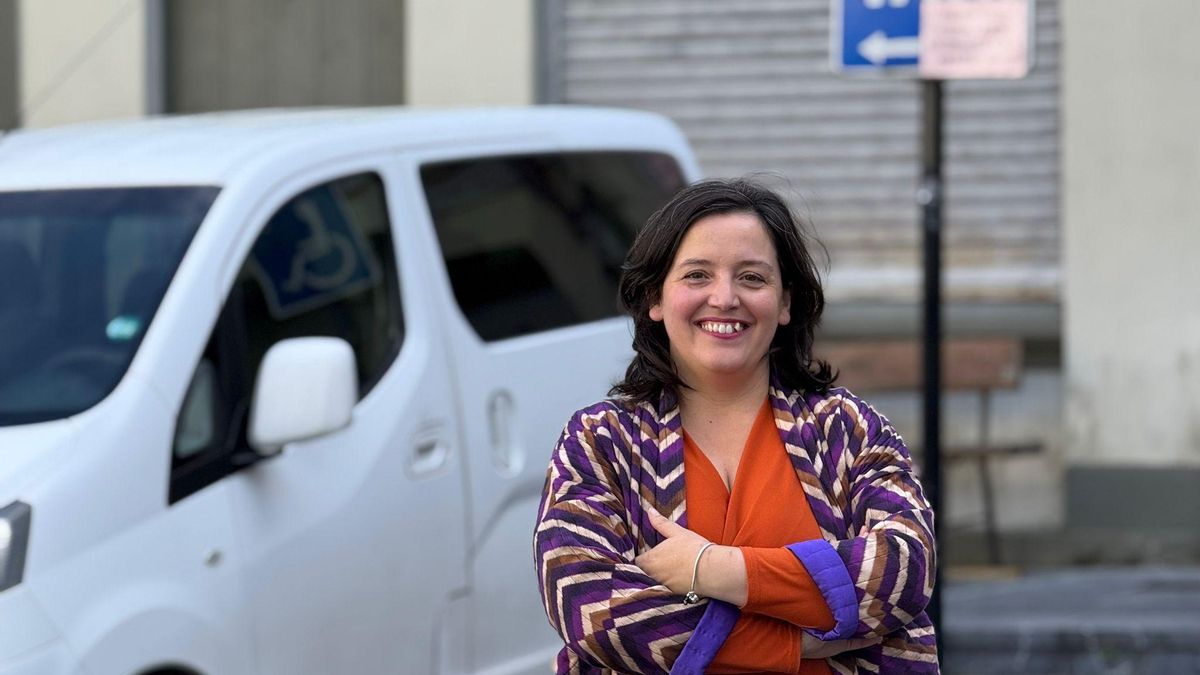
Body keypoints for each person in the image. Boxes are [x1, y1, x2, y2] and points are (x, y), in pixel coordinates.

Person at [534, 179, 938, 674]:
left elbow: (906, 566)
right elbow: (586, 604)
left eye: (752, 278)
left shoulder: (847, 429)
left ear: (785, 303)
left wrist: (715, 569)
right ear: (655, 298)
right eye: (697, 275)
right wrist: (789, 647)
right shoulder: (600, 441)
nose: (725, 298)